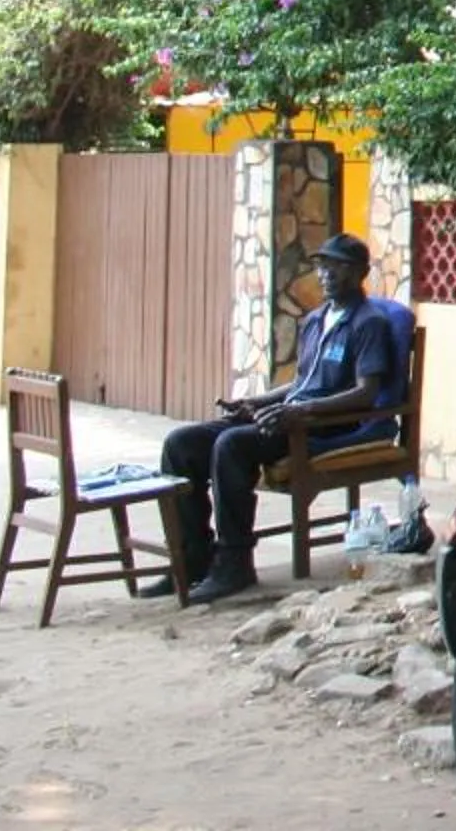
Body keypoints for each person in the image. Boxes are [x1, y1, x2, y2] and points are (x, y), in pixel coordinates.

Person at [154, 231, 408, 605]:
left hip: (323, 425)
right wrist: (254, 402)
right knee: (181, 444)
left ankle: (235, 560)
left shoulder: (368, 323)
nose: (325, 274)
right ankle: (193, 555)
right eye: (322, 265)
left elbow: (366, 392)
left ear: (360, 272)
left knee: (232, 446)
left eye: (337, 267)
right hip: (289, 414)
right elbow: (300, 383)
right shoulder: (317, 319)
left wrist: (302, 411)